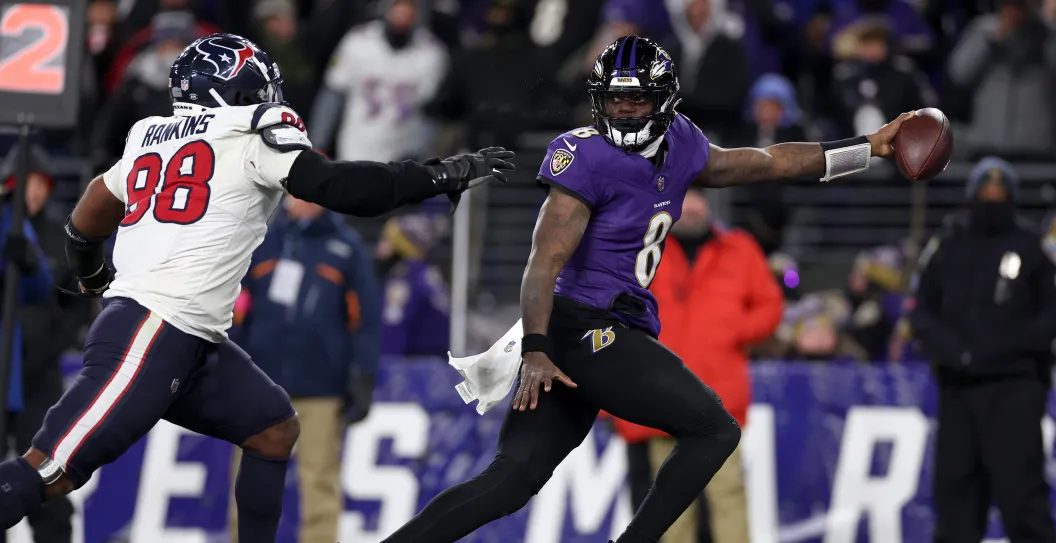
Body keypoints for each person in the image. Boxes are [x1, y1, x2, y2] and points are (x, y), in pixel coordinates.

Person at [380, 35, 915, 543]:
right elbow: (545, 260)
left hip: (591, 331)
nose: (624, 111)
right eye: (614, 100)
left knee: (511, 480)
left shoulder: (682, 142)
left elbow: (768, 162)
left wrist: (867, 147)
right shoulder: (583, 155)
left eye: (636, 100)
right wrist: (539, 349)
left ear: (663, 101)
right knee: (714, 430)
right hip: (583, 326)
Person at [0, 32, 514, 542]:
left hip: (186, 336)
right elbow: (341, 188)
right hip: (152, 329)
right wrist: (438, 176)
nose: (267, 97)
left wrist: (89, 268)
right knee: (49, 471)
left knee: (272, 429)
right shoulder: (252, 133)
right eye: (257, 86)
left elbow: (94, 202)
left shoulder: (151, 133)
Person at [613, 188, 782, 543]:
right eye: (683, 198)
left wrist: (734, 330)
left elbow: (770, 306)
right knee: (671, 500)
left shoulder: (739, 248)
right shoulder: (644, 251)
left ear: (709, 203)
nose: (691, 207)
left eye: (698, 197)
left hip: (720, 397)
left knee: (728, 495)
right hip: (664, 398)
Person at [909, 157, 1056, 543]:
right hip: (960, 389)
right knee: (956, 498)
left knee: (1022, 498)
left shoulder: (1033, 250)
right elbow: (921, 311)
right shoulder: (948, 246)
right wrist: (956, 353)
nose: (992, 198)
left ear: (1012, 198)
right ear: (972, 196)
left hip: (1015, 391)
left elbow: (1049, 318)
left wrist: (1001, 350)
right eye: (985, 192)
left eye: (1000, 192)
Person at [228, 195, 379, 543]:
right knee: (250, 481)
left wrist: (363, 375)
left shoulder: (346, 247)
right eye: (297, 191)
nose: (301, 199)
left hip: (321, 388)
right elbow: (235, 308)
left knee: (320, 479)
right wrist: (225, 365)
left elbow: (365, 319)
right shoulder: (262, 242)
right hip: (260, 387)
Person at [0, 146, 80, 543]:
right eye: (24, 185)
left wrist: (52, 349)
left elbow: (79, 304)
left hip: (40, 377)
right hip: (3, 374)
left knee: (46, 476)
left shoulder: (60, 236)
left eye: (40, 186)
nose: (32, 194)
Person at [376, 213, 452, 358]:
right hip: (436, 365)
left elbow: (393, 328)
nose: (380, 246)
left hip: (413, 367)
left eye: (386, 240)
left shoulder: (403, 279)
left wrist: (386, 370)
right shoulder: (430, 274)